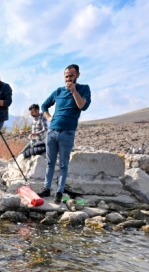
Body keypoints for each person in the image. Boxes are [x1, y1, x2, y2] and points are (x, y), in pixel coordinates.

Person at [40, 64, 91, 203]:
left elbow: (83, 106)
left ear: (77, 75)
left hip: (67, 133)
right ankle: (46, 189)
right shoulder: (58, 91)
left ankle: (59, 191)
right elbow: (44, 105)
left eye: (71, 76)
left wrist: (74, 91)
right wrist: (49, 118)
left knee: (63, 164)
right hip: (52, 132)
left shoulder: (83, 89)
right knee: (50, 162)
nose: (68, 79)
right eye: (66, 76)